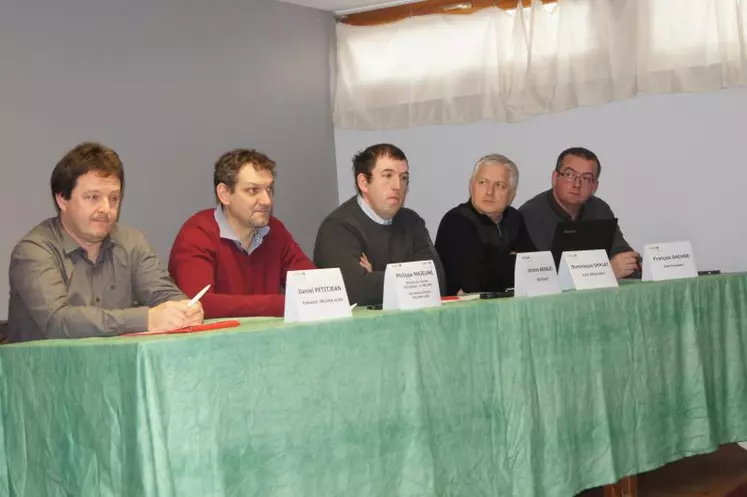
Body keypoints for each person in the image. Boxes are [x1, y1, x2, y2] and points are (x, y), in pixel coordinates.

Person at [8, 142, 201, 342]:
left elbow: (164, 294)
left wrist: (185, 309)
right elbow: (58, 321)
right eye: (93, 197)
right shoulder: (33, 251)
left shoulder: (131, 242)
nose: (105, 208)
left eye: (114, 199)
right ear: (62, 200)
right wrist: (146, 319)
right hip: (46, 370)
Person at [169, 148, 314, 318]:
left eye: (269, 189)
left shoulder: (275, 231)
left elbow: (314, 287)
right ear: (224, 194)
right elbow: (199, 304)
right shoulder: (198, 234)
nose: (267, 201)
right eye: (253, 190)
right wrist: (282, 304)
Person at [313, 143, 445, 306]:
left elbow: (436, 282)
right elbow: (355, 291)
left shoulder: (412, 222)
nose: (397, 186)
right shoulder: (338, 228)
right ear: (363, 182)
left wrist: (375, 274)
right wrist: (412, 281)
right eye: (387, 176)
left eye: (403, 177)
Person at [519, 147, 640, 279]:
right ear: (555, 178)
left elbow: (620, 252)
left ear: (594, 187)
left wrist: (636, 264)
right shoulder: (530, 215)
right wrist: (607, 272)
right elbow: (543, 276)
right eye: (570, 175)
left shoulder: (599, 209)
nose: (577, 184)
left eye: (586, 178)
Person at [435, 154, 535, 295]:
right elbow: (475, 283)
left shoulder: (514, 218)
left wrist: (494, 263)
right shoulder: (456, 221)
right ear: (471, 186)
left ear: (512, 195)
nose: (489, 192)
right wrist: (513, 261)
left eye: (500, 185)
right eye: (483, 182)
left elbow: (536, 268)